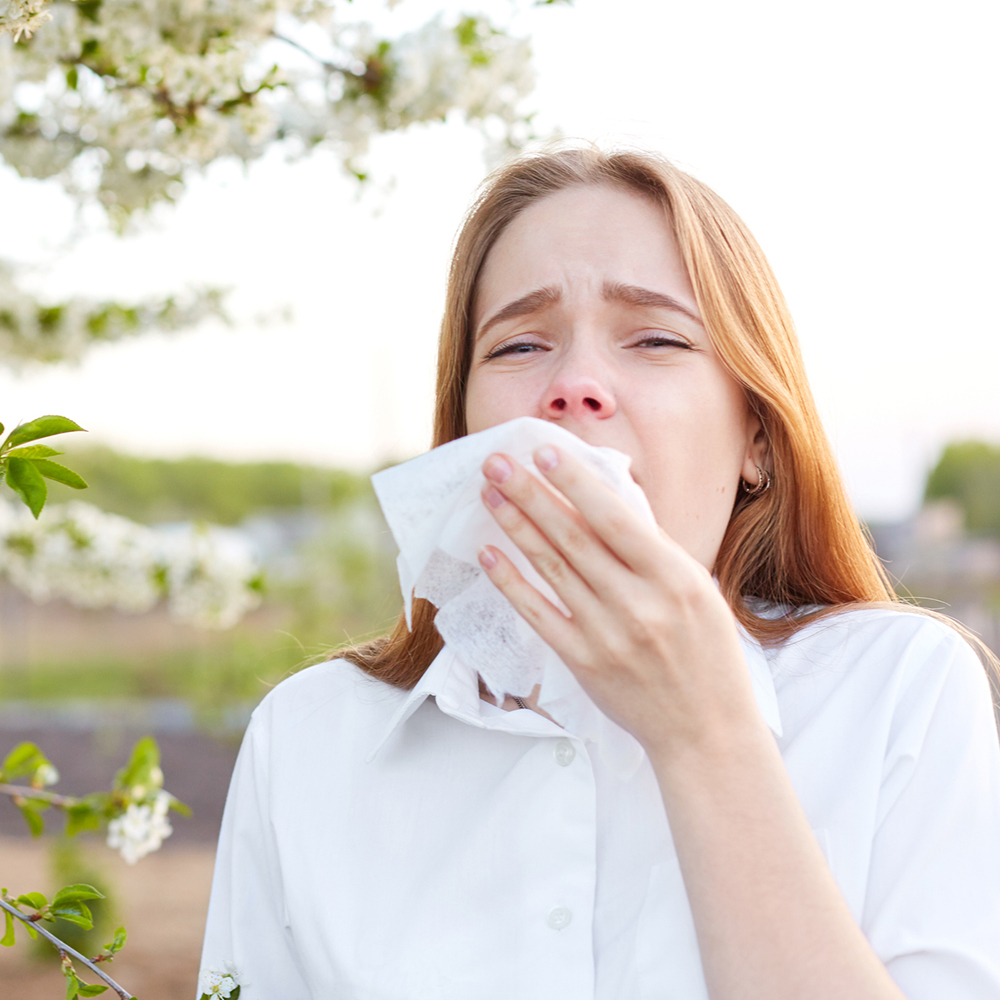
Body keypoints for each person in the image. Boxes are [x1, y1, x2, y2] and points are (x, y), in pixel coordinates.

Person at [198, 142, 1000, 1000]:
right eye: (518, 346)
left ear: (757, 439)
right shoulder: (308, 738)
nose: (575, 385)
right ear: (465, 429)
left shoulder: (899, 690)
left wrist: (704, 737)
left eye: (655, 338)